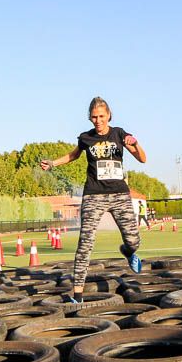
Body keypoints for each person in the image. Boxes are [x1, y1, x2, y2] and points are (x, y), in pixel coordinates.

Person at [39, 96, 147, 302]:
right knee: (85, 243)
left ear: (109, 116)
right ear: (90, 118)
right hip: (93, 195)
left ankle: (128, 251)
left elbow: (142, 158)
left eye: (101, 116)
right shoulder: (85, 138)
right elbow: (72, 156)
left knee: (134, 240)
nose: (98, 121)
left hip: (119, 194)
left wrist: (136, 143)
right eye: (94, 117)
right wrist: (52, 163)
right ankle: (77, 294)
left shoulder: (119, 133)